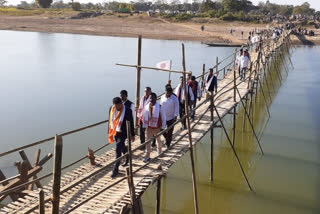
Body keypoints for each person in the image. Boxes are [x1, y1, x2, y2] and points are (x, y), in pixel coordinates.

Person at [108, 97, 135, 178]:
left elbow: (131, 123)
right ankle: (127, 155)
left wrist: (132, 134)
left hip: (123, 132)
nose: (116, 107)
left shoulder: (127, 110)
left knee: (117, 149)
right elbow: (110, 120)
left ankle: (115, 169)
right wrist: (109, 131)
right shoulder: (112, 109)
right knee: (121, 146)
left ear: (121, 104)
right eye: (115, 106)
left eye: (117, 106)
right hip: (115, 131)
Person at [142, 93, 166, 162]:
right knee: (148, 142)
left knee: (158, 140)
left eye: (153, 98)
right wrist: (144, 126)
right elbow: (144, 116)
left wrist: (163, 127)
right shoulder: (147, 107)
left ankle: (159, 150)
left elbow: (163, 117)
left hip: (157, 127)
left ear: (156, 98)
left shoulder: (160, 107)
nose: (151, 100)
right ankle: (147, 156)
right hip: (149, 127)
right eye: (150, 98)